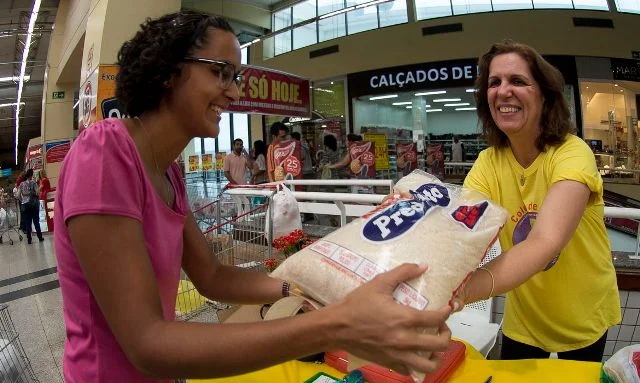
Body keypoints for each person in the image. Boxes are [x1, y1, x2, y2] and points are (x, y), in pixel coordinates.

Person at [53, 11, 452, 382]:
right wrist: (335, 324)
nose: (233, 93)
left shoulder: (169, 171)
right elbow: (147, 344)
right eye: (221, 73)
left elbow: (211, 275)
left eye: (236, 77)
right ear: (169, 70)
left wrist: (305, 288)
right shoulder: (105, 154)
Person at [454, 40, 620, 362]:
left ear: (544, 95)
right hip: (526, 318)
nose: (503, 91)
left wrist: (459, 293)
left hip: (582, 314)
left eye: (517, 81)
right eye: (494, 82)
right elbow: (460, 225)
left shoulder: (572, 153)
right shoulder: (489, 162)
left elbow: (545, 241)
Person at [19, 169, 43, 244]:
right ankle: (40, 237)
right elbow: (37, 193)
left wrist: (22, 200)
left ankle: (29, 239)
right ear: (32, 175)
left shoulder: (22, 184)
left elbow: (18, 195)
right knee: (36, 221)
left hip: (25, 205)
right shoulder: (33, 183)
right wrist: (40, 188)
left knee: (28, 222)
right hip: (34, 205)